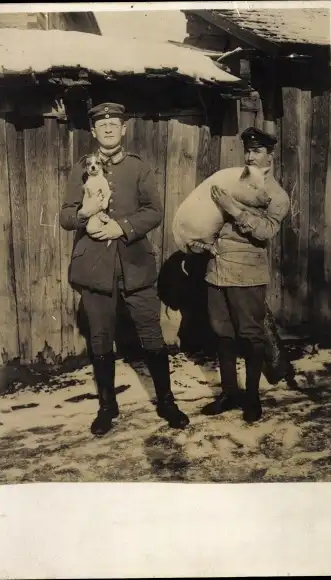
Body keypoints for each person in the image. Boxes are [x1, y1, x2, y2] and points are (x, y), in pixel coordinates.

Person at [60, 102, 189, 436]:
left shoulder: (138, 167)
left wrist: (122, 227)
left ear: (124, 128)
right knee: (100, 337)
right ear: (93, 131)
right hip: (94, 268)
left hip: (135, 265)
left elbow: (155, 211)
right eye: (102, 126)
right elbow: (65, 216)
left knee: (151, 333)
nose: (108, 129)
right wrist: (85, 218)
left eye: (114, 124)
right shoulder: (81, 168)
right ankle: (107, 407)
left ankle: (166, 401)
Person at [201, 127, 290, 423]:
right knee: (222, 333)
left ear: (270, 155)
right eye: (248, 151)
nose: (251, 156)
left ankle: (251, 396)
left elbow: (266, 231)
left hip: (247, 273)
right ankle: (229, 393)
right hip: (216, 269)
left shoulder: (275, 194)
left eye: (258, 151)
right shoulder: (230, 181)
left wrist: (234, 210)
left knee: (250, 335)